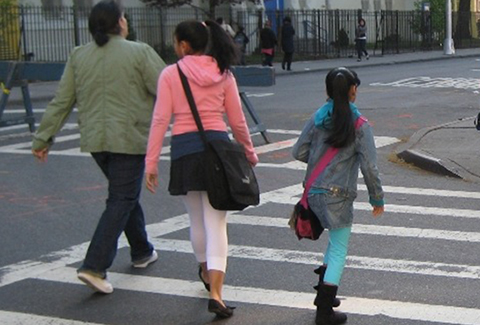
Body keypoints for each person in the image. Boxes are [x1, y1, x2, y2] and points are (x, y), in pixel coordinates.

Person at [31, 0, 166, 294]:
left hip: (96, 140)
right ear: (119, 22)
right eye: (124, 17)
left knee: (124, 194)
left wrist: (44, 138)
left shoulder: (79, 55)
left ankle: (142, 250)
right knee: (121, 197)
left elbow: (62, 100)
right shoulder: (139, 52)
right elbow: (167, 89)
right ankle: (94, 265)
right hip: (129, 138)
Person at [144, 20, 258, 318]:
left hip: (185, 152)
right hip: (218, 151)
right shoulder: (224, 73)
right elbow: (237, 121)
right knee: (216, 222)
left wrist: (151, 162)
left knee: (195, 219)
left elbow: (159, 120)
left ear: (184, 45)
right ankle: (217, 294)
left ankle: (207, 273)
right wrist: (248, 151)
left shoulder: (171, 74)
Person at [292, 67, 384, 325]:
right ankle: (324, 311)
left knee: (333, 246)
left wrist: (318, 159)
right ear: (353, 91)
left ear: (328, 91)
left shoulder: (318, 118)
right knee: (339, 248)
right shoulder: (361, 126)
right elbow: (370, 167)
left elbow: (298, 151)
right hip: (339, 196)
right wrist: (377, 199)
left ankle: (325, 294)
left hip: (313, 193)